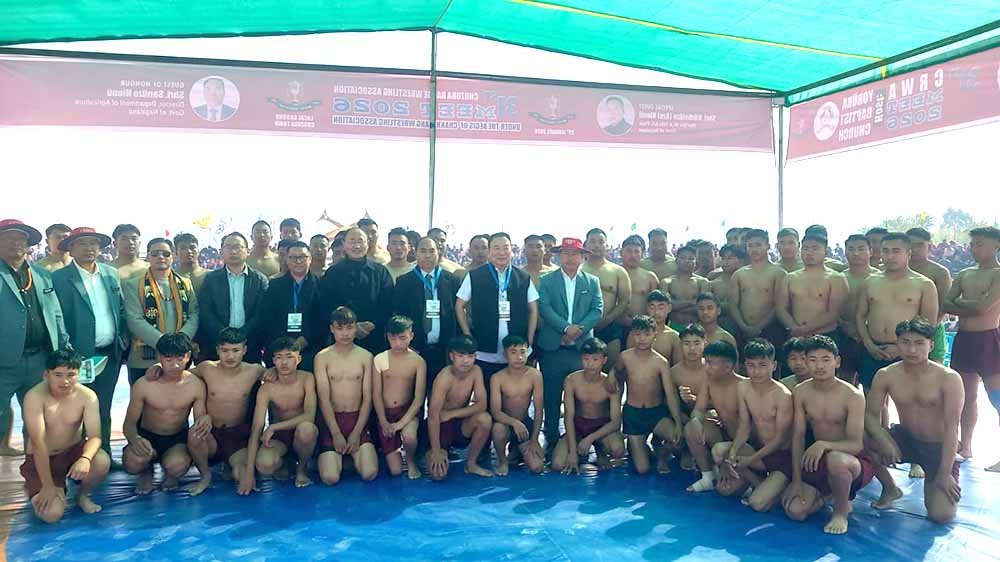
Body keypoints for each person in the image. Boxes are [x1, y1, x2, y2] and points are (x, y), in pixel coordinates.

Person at [865, 318, 964, 523]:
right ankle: (890, 488)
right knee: (862, 437)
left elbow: (952, 429)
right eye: (905, 342)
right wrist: (883, 440)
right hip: (906, 439)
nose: (912, 350)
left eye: (919, 343)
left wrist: (945, 474)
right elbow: (869, 416)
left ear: (931, 345)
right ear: (897, 343)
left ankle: (937, 479)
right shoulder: (886, 375)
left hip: (938, 446)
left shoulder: (949, 378)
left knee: (941, 515)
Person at [781, 335, 873, 535]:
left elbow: (856, 444)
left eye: (825, 359)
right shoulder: (801, 391)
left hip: (853, 462)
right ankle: (829, 495)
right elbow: (798, 437)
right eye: (813, 360)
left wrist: (823, 444)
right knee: (795, 511)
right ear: (806, 362)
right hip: (819, 461)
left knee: (836, 460)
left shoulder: (853, 395)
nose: (819, 366)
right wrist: (796, 480)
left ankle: (840, 512)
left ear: (837, 362)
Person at [51, 227, 128, 459]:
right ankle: (73, 458)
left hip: (110, 354)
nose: (89, 248)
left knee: (103, 407)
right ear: (71, 248)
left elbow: (121, 309)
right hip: (78, 356)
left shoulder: (110, 274)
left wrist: (122, 340)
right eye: (82, 244)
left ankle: (103, 456)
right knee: (74, 410)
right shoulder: (59, 278)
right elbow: (56, 316)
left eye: (93, 243)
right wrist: (67, 350)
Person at [151, 328, 264, 484]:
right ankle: (205, 476)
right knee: (195, 433)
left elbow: (279, 373)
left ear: (244, 350)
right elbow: (179, 373)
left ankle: (231, 464)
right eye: (225, 350)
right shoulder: (207, 368)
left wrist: (272, 372)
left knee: (242, 476)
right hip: (211, 435)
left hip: (238, 436)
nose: (230, 356)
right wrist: (158, 366)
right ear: (217, 350)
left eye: (235, 350)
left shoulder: (254, 370)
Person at [20, 350, 110, 523]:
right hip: (43, 458)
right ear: (46, 375)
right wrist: (47, 485)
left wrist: (85, 458)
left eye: (71, 375)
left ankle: (81, 496)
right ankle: (37, 485)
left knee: (101, 461)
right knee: (52, 515)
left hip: (72, 453)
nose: (65, 381)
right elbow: (38, 443)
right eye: (58, 375)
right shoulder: (34, 397)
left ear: (79, 374)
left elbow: (95, 436)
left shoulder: (87, 396)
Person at [122, 333, 212, 496]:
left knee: (177, 465)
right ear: (159, 357)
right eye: (168, 359)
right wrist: (135, 439)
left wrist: (204, 419)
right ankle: (146, 471)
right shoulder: (144, 384)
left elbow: (199, 420)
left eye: (180, 358)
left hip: (176, 439)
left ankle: (172, 475)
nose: (175, 365)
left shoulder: (196, 385)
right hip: (147, 436)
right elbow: (129, 424)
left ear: (188, 356)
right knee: (132, 462)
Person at [942, 226, 1000, 467]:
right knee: (965, 398)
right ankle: (966, 446)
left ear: (996, 246)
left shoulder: (998, 274)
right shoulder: (965, 274)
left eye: (980, 244)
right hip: (964, 339)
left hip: (988, 338)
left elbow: (982, 309)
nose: (975, 249)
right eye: (973, 244)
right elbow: (946, 303)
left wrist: (964, 304)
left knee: (997, 398)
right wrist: (974, 304)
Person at [537, 237, 603, 448]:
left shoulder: (592, 281)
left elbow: (597, 309)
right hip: (553, 347)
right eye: (565, 253)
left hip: (581, 349)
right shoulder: (547, 280)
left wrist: (578, 330)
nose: (570, 258)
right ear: (558, 256)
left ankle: (581, 437)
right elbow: (544, 307)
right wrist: (565, 328)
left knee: (582, 396)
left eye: (575, 253)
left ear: (582, 257)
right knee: (551, 395)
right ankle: (551, 437)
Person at [714, 339, 793, 511]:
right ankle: (759, 482)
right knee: (720, 455)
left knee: (757, 503)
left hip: (782, 456)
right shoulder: (743, 386)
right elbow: (744, 426)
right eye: (751, 365)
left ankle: (778, 486)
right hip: (759, 450)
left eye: (762, 365)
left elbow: (780, 439)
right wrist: (732, 453)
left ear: (774, 365)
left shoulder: (783, 395)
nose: (756, 371)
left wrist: (750, 460)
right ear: (745, 366)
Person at [855, 232, 938, 392]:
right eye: (885, 251)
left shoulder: (924, 284)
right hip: (874, 349)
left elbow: (928, 325)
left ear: (908, 253)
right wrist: (868, 344)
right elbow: (860, 315)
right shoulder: (870, 282)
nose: (890, 256)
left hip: (909, 351)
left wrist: (901, 348)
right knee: (872, 396)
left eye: (896, 251)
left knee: (910, 398)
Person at [457, 232, 538, 392]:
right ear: (489, 251)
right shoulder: (475, 276)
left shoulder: (523, 277)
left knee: (513, 395)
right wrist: (468, 335)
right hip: (484, 349)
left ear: (512, 250)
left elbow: (534, 310)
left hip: (515, 351)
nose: (501, 252)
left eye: (505, 248)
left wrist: (528, 340)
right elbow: (459, 306)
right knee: (487, 394)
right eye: (496, 248)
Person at [239, 337, 318, 494]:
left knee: (307, 429)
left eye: (289, 357)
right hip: (279, 438)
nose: (284, 362)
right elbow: (256, 429)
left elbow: (309, 416)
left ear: (299, 359)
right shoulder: (267, 389)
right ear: (273, 361)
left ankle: (301, 469)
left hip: (300, 433)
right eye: (279, 358)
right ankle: (285, 463)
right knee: (264, 465)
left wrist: (274, 426)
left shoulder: (307, 378)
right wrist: (249, 473)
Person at [611, 315, 684, 474]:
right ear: (632, 335)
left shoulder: (661, 362)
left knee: (679, 441)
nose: (642, 339)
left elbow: (670, 394)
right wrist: (611, 376)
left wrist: (678, 423)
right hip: (633, 414)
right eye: (638, 334)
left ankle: (663, 452)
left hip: (656, 413)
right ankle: (641, 446)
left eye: (647, 334)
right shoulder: (625, 356)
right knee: (642, 469)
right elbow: (616, 372)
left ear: (654, 335)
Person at [313, 307, 378, 484]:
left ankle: (349, 457)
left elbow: (368, 398)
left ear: (356, 328)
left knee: (369, 473)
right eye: (340, 328)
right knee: (330, 478)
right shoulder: (322, 357)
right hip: (331, 421)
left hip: (357, 420)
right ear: (332, 329)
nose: (345, 333)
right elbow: (323, 398)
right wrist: (335, 433)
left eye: (349, 328)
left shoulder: (366, 356)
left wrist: (356, 432)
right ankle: (340, 458)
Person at [123, 238, 199, 384]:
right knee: (144, 397)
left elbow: (194, 314)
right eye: (155, 253)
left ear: (173, 256)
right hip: (144, 357)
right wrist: (164, 343)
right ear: (148, 256)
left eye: (166, 253)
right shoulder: (134, 285)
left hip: (179, 357)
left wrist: (180, 341)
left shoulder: (185, 283)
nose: (161, 257)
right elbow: (134, 320)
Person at [550, 338, 626, 473]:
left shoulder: (609, 383)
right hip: (578, 427)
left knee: (618, 450)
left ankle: (600, 449)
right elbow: (568, 416)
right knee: (557, 465)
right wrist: (572, 453)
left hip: (601, 426)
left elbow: (616, 422)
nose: (590, 364)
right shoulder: (571, 380)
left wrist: (590, 439)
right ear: (581, 359)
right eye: (586, 359)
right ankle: (577, 451)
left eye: (595, 360)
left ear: (604, 360)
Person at [392, 237, 461, 383]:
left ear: (438, 252)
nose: (427, 255)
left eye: (432, 251)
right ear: (415, 253)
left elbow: (457, 313)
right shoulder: (404, 281)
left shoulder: (452, 280)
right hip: (415, 348)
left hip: (444, 350)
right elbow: (398, 315)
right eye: (423, 251)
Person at [425, 335, 494, 480]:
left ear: (475, 357)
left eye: (470, 356)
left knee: (485, 419)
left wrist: (452, 414)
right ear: (452, 356)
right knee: (438, 475)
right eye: (461, 356)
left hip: (459, 424)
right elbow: (432, 416)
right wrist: (436, 451)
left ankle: (471, 464)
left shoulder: (476, 371)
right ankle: (436, 451)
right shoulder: (444, 377)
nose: (465, 360)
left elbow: (482, 405)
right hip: (440, 427)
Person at [319, 227, 394, 355]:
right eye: (352, 241)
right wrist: (349, 327)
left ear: (367, 243)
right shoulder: (332, 273)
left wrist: (372, 324)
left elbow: (388, 303)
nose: (357, 246)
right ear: (344, 244)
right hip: (342, 336)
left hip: (374, 336)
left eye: (360, 241)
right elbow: (326, 304)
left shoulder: (380, 272)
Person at [198, 232, 269, 363]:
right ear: (221, 252)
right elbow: (206, 311)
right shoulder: (211, 279)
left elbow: (261, 313)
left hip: (250, 344)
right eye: (228, 247)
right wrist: (224, 335)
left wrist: (242, 335)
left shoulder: (259, 280)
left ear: (248, 251)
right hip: (218, 344)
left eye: (237, 247)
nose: (233, 251)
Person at [684, 340, 745, 492]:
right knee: (692, 427)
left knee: (726, 491)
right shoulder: (709, 382)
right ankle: (707, 476)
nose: (707, 367)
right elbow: (698, 409)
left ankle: (744, 477)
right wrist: (696, 419)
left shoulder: (744, 386)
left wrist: (730, 453)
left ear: (728, 366)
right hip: (725, 436)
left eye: (711, 363)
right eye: (706, 362)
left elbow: (748, 428)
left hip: (745, 443)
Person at [253, 241, 323, 371]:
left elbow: (322, 318)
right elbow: (267, 317)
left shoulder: (321, 285)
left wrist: (305, 339)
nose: (298, 261)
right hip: (280, 346)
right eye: (293, 257)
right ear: (287, 260)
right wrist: (284, 343)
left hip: (310, 347)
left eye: (302, 257)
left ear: (310, 259)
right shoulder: (275, 285)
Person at [372, 316, 426, 479]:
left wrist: (400, 424)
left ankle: (411, 461)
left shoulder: (418, 362)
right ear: (387, 337)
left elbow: (419, 398)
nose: (397, 343)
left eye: (402, 338)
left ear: (411, 336)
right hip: (385, 414)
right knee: (395, 471)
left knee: (409, 436)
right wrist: (383, 421)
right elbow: (376, 394)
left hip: (407, 412)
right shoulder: (380, 359)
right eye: (393, 338)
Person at [730, 229, 787, 373]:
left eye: (758, 245)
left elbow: (779, 305)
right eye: (750, 245)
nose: (754, 249)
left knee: (770, 370)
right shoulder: (739, 274)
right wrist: (744, 326)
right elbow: (733, 304)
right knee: (745, 369)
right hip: (743, 330)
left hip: (770, 329)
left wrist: (759, 327)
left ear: (768, 246)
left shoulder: (778, 273)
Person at [776, 230, 849, 340]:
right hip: (795, 334)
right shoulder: (790, 278)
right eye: (805, 248)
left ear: (825, 251)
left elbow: (834, 313)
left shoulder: (836, 278)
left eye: (815, 248)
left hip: (825, 335)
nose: (809, 253)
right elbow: (781, 309)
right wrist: (794, 328)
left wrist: (806, 329)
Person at [490, 335, 545, 475]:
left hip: (525, 424)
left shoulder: (535, 375)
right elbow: (496, 412)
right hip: (506, 424)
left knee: (537, 467)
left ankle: (516, 451)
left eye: (522, 352)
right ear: (505, 354)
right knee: (498, 429)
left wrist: (534, 439)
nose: (519, 357)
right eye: (513, 352)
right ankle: (503, 461)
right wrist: (514, 423)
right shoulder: (497, 378)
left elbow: (539, 410)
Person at [582, 228, 631, 367]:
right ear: (585, 245)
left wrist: (608, 318)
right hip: (583, 328)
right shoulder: (579, 270)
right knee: (586, 370)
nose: (596, 245)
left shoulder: (618, 271)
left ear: (606, 245)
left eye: (600, 242)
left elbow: (625, 301)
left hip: (611, 326)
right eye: (592, 241)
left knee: (612, 370)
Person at [906, 227, 952, 364]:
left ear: (929, 246)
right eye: (911, 245)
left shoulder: (940, 272)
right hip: (902, 329)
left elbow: (943, 306)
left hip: (933, 328)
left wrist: (925, 331)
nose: (914, 249)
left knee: (935, 371)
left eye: (919, 245)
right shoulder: (894, 270)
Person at [838, 235, 879, 384]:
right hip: (845, 335)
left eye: (861, 249)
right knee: (845, 382)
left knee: (873, 385)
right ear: (845, 252)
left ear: (870, 252)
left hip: (873, 337)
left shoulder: (880, 278)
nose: (856, 253)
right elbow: (831, 308)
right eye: (851, 249)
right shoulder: (838, 278)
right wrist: (844, 325)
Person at [619, 235, 660, 344]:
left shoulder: (650, 277)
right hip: (615, 327)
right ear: (621, 253)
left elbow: (656, 305)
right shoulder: (613, 274)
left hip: (642, 330)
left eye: (636, 251)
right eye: (629, 251)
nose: (632, 255)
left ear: (642, 254)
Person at [661, 245, 710, 332]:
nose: (687, 261)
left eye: (691, 258)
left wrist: (676, 305)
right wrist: (692, 302)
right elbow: (665, 307)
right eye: (683, 258)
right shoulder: (667, 282)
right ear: (676, 260)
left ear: (696, 262)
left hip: (695, 326)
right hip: (673, 325)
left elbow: (702, 308)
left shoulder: (702, 282)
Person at [632, 290, 682, 364]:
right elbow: (628, 361)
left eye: (661, 308)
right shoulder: (636, 334)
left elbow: (677, 365)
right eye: (652, 308)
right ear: (647, 308)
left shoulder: (674, 337)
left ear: (669, 308)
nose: (656, 312)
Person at [710, 243, 747, 340]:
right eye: (723, 258)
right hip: (721, 327)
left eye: (730, 258)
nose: (725, 262)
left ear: (740, 260)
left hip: (745, 327)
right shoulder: (714, 283)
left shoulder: (747, 280)